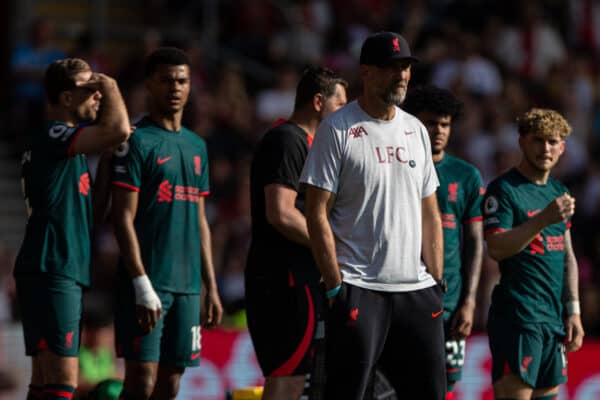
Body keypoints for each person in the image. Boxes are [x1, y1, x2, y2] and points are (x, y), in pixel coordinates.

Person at [300, 31, 446, 400]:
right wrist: (334, 284)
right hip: (358, 288)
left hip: (415, 290)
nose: (401, 76)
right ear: (366, 72)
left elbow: (430, 210)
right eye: (390, 68)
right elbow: (316, 211)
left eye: (405, 68)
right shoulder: (338, 129)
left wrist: (436, 280)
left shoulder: (416, 130)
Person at [14, 58, 130, 400]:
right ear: (66, 98)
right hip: (53, 265)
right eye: (89, 90)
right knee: (64, 377)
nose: (97, 97)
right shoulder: (55, 134)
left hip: (52, 265)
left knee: (44, 378)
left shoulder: (68, 151)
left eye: (98, 90)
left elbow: (90, 214)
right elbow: (120, 129)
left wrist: (108, 160)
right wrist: (110, 84)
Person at [110, 47, 223, 399]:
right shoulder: (134, 141)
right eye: (167, 80)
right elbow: (121, 217)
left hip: (188, 285)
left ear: (190, 87)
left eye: (182, 80)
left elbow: (200, 221)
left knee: (171, 383)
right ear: (149, 85)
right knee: (141, 380)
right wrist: (140, 283)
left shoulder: (197, 145)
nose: (175, 87)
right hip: (147, 282)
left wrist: (211, 286)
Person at [245, 66, 348, 400]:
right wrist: (329, 244)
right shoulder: (287, 141)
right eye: (340, 105)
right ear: (319, 102)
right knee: (287, 377)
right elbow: (280, 212)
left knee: (294, 375)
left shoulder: (307, 144)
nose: (345, 114)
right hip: (284, 279)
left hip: (295, 277)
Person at [482, 108, 585, 400]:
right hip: (517, 318)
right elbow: (496, 247)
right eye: (538, 140)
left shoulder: (558, 190)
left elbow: (567, 256)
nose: (545, 149)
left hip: (552, 320)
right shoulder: (503, 190)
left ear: (563, 147)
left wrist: (573, 311)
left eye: (553, 142)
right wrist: (543, 219)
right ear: (522, 142)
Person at [403, 85, 484, 399]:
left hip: (449, 304)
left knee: (445, 386)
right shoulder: (399, 168)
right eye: (430, 123)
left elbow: (475, 243)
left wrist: (469, 301)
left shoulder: (466, 176)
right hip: (404, 295)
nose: (438, 130)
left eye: (445, 124)